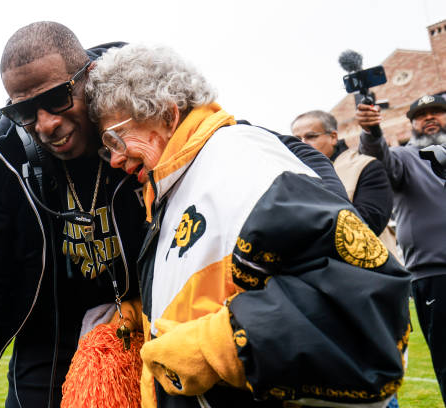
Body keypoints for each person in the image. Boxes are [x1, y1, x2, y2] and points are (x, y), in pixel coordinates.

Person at [86, 43, 410, 407]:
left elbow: (365, 323)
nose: (113, 159)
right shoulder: (175, 182)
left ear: (166, 113)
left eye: (115, 138)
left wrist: (215, 347)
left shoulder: (243, 162)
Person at [0, 22, 146, 408]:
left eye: (58, 98)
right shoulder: (6, 158)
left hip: (141, 317)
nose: (46, 124)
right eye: (26, 110)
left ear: (88, 79)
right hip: (47, 330)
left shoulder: (137, 108)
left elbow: (220, 134)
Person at [356, 94, 446, 405]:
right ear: (412, 124)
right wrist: (372, 132)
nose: (430, 118)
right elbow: (379, 158)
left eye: (437, 112)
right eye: (422, 115)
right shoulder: (407, 158)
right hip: (436, 275)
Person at [290, 110, 393, 236]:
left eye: (311, 136)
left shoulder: (366, 166)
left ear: (333, 137)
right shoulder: (291, 176)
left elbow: (370, 223)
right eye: (296, 140)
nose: (303, 144)